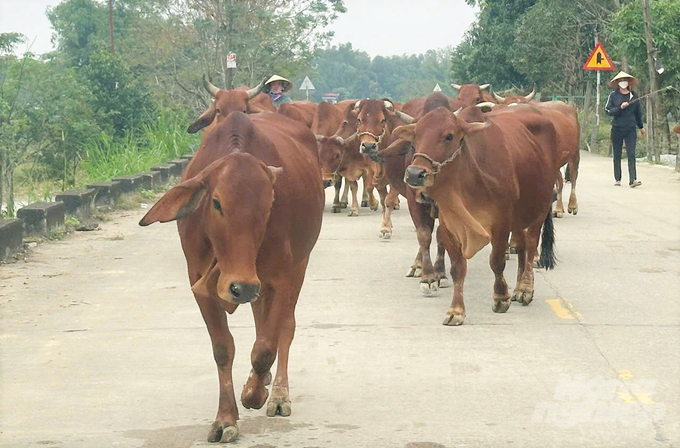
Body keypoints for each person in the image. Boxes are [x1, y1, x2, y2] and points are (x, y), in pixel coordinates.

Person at [605, 71, 646, 188]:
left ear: (629, 83)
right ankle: (617, 178)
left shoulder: (634, 96)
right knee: (617, 154)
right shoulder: (613, 96)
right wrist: (620, 107)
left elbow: (638, 114)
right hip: (617, 128)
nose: (623, 82)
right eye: (621, 80)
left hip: (631, 128)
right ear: (617, 83)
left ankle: (633, 179)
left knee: (631, 153)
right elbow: (608, 111)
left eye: (625, 80)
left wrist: (641, 127)